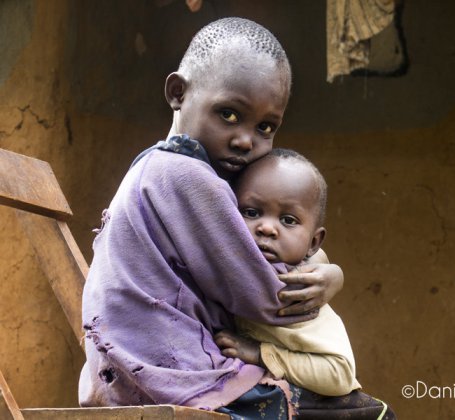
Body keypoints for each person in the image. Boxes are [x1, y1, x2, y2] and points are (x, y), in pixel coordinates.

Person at [79, 17, 344, 416]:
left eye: (266, 127)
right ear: (178, 93)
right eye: (229, 115)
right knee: (357, 408)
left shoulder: (153, 167)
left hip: (127, 372)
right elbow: (270, 298)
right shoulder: (189, 179)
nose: (245, 140)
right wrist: (327, 274)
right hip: (172, 376)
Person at [215, 149, 395, 419]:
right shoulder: (226, 264)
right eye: (251, 212)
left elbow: (339, 374)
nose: (266, 228)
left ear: (313, 242)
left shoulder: (299, 292)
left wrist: (262, 353)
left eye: (288, 220)